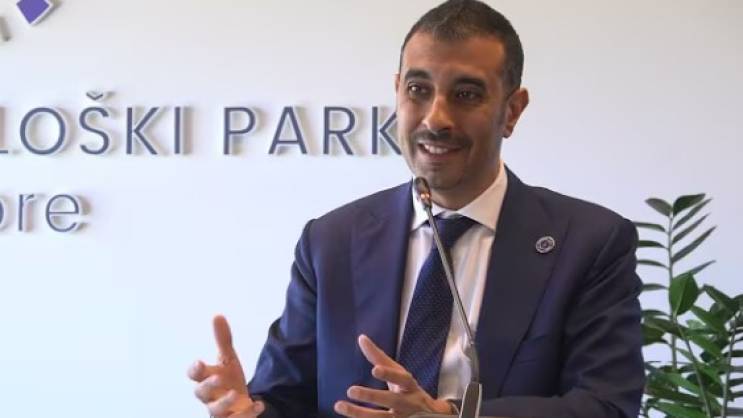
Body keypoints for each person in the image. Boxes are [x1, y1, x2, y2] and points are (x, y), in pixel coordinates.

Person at [188, 1, 645, 417]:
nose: (435, 118)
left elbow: (606, 405)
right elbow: (287, 400)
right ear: (397, 92)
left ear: (512, 111)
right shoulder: (331, 241)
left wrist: (453, 416)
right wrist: (249, 410)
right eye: (418, 89)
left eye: (466, 94)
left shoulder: (588, 243)